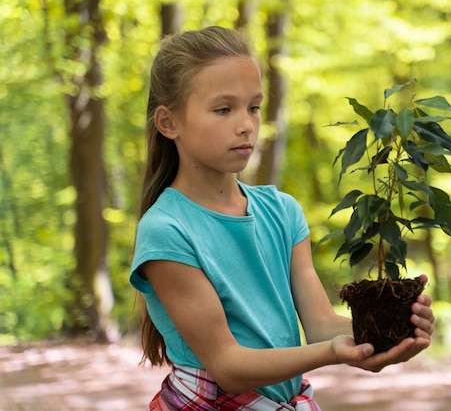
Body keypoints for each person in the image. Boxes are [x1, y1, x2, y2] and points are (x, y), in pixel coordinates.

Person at [130, 25, 435, 411]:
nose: (246, 124)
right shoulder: (167, 230)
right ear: (168, 122)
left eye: (253, 107)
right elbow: (228, 365)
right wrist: (334, 353)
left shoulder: (282, 211)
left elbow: (321, 324)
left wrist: (398, 326)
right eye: (223, 109)